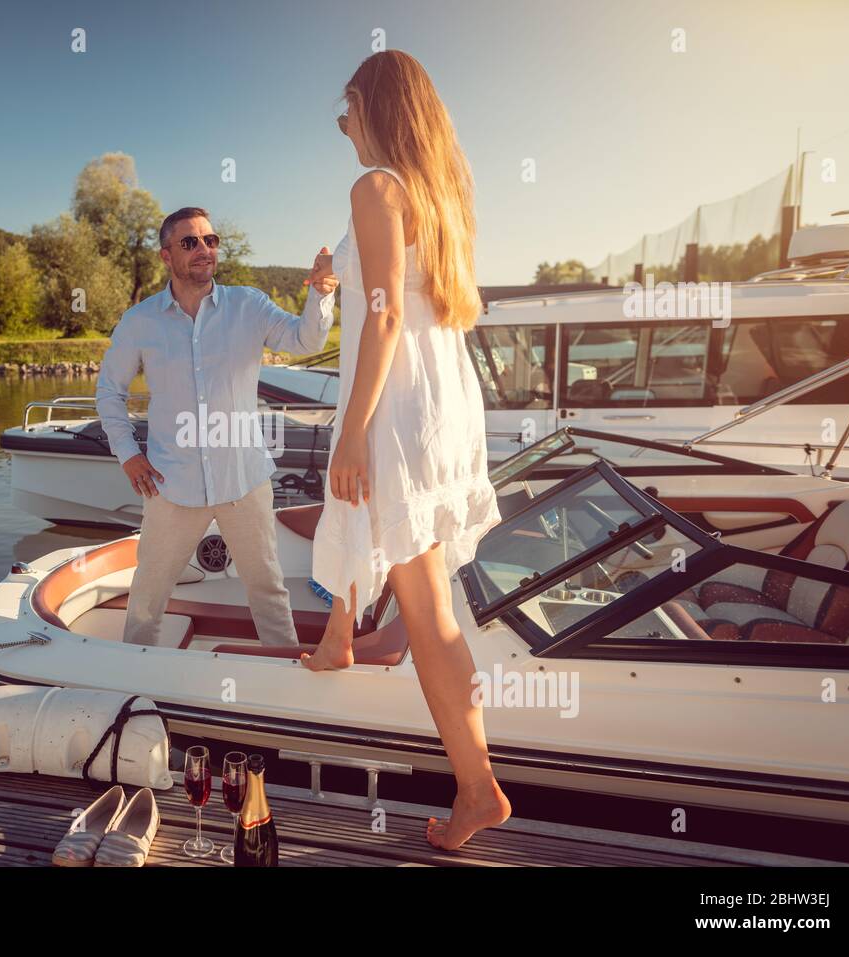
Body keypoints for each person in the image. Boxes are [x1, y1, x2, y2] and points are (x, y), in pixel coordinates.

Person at [301, 50, 511, 851]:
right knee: (373, 522)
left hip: (399, 404)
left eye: (345, 110)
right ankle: (337, 636)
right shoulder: (436, 195)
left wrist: (351, 429)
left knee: (427, 607)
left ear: (371, 106)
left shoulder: (373, 186)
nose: (343, 126)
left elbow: (384, 320)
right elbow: (397, 302)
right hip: (441, 399)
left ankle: (477, 789)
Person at [95, 206, 337, 647]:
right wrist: (128, 454)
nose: (204, 250)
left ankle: (282, 673)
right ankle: (132, 681)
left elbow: (306, 340)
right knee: (149, 596)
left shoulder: (249, 305)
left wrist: (321, 292)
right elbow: (109, 391)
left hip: (243, 480)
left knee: (268, 589)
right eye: (190, 242)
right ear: (167, 255)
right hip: (171, 485)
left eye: (211, 240)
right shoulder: (140, 322)